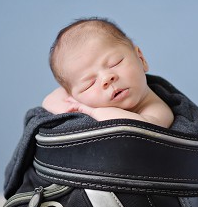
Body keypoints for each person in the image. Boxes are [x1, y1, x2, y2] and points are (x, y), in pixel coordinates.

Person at [41, 17, 174, 128]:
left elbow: (139, 128)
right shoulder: (76, 97)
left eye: (115, 63)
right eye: (89, 83)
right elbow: (49, 101)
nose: (106, 78)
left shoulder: (157, 109)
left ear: (141, 59)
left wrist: (92, 111)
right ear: (74, 96)